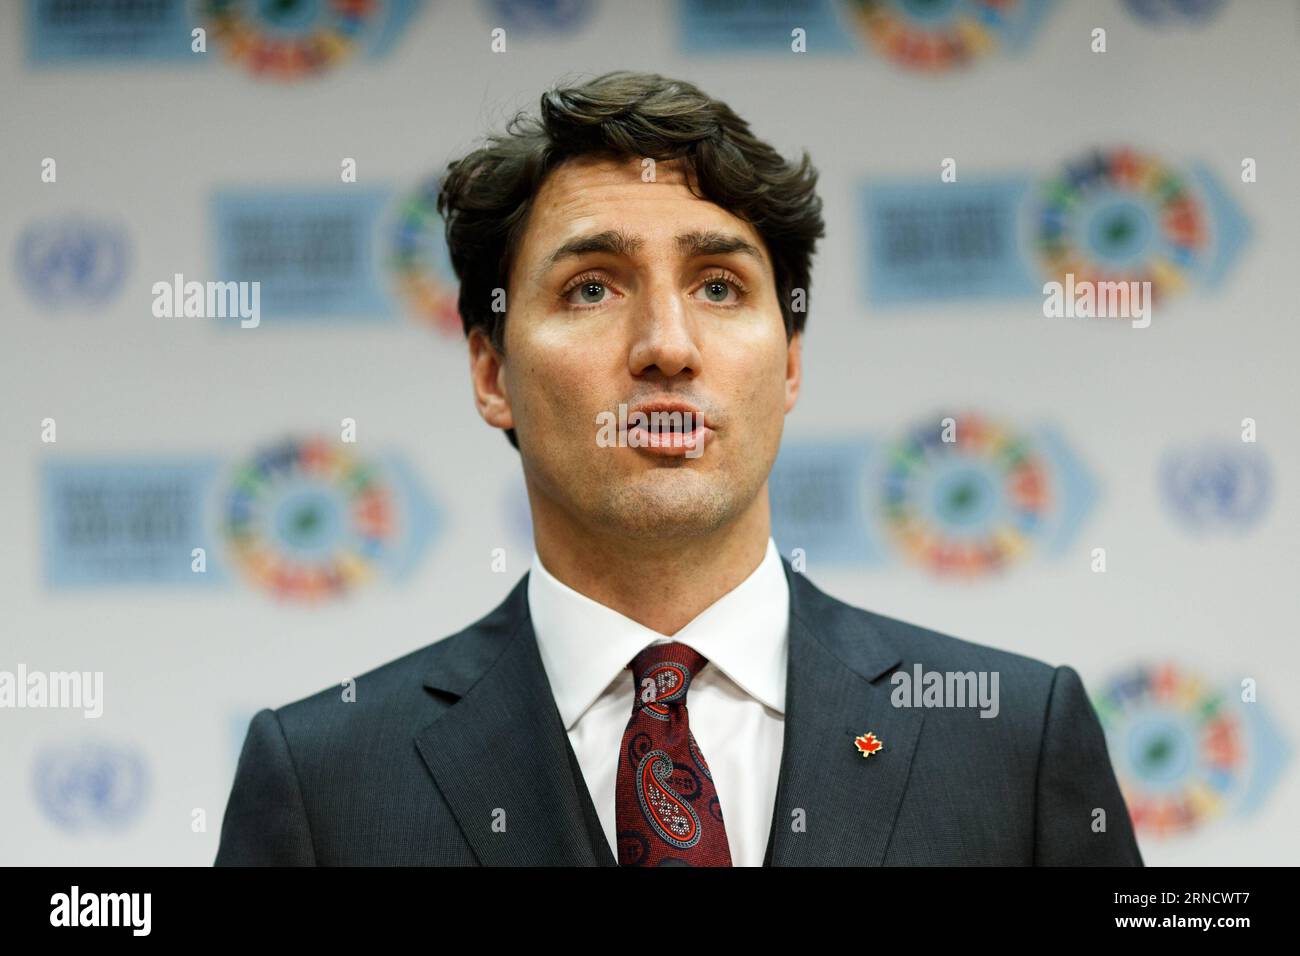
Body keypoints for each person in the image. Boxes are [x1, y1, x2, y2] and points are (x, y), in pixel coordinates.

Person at [215, 70, 1142, 867]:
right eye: (591, 287)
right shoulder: (324, 785)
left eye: (719, 286)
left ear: (788, 364)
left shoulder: (1011, 740)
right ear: (492, 373)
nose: (666, 346)